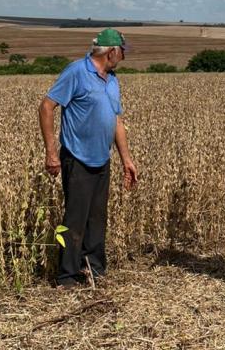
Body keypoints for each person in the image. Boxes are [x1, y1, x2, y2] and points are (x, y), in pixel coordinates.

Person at [39, 27, 138, 288]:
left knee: (97, 218)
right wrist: (51, 152)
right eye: (123, 52)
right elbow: (47, 106)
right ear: (112, 52)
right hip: (77, 157)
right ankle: (67, 276)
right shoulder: (76, 72)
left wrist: (126, 159)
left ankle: (93, 269)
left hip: (101, 159)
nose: (124, 57)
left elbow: (116, 121)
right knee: (75, 218)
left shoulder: (112, 79)